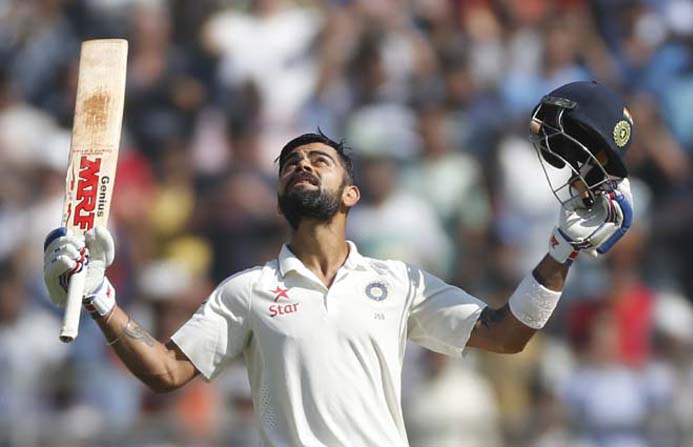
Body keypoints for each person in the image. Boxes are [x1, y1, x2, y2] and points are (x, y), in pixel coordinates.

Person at [43, 81, 634, 446]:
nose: (302, 163)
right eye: (291, 161)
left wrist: (561, 252)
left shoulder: (398, 282)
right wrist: (98, 297)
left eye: (318, 158)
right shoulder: (246, 291)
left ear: (351, 193)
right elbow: (166, 372)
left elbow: (506, 336)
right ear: (279, 196)